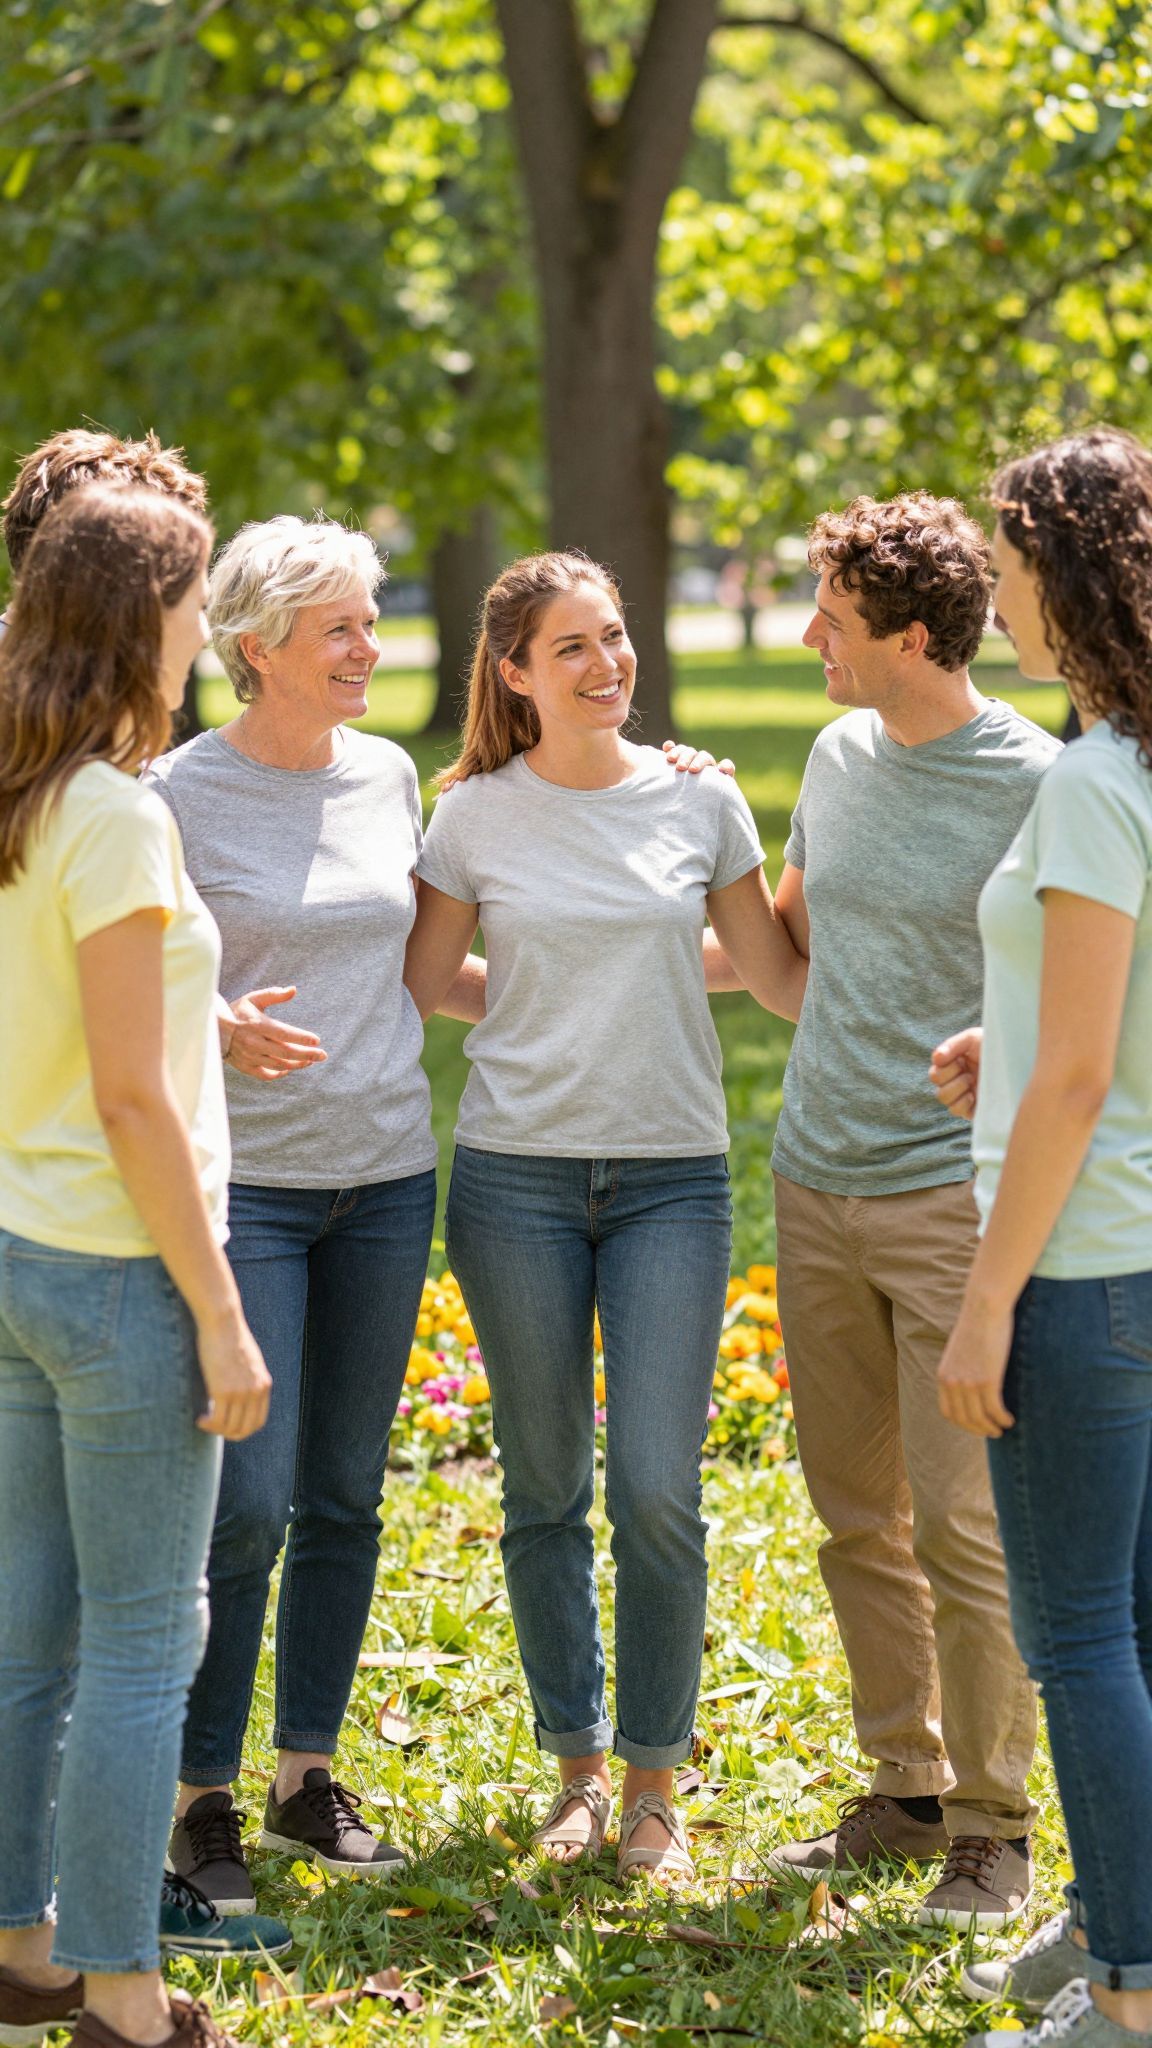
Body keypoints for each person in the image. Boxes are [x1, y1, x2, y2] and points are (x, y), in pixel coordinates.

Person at [402, 549, 809, 1883]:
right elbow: (424, 981)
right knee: (542, 1487)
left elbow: (771, 977)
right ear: (513, 674)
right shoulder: (469, 818)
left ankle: (653, 1786)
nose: (607, 665)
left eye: (616, 637)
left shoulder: (703, 806)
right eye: (571, 647)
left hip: (671, 1179)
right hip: (514, 1178)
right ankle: (576, 1769)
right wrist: (533, 999)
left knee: (655, 1487)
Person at [713, 494, 1061, 1926]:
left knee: (963, 1528)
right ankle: (906, 1790)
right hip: (813, 1178)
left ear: (915, 638)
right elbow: (790, 966)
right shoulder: (839, 753)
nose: (810, 641)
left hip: (953, 1199)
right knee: (855, 1514)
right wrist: (674, 836)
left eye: (834, 623)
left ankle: (995, 1821)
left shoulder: (1042, 780)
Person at [145, 515, 484, 1912]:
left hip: (390, 1173)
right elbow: (134, 974)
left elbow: (430, 948)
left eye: (373, 616)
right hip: (255, 1191)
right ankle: (198, 1797)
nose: (371, 645)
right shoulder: (173, 793)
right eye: (340, 626)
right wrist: (212, 1022)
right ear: (255, 647)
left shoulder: (390, 772)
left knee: (347, 1492)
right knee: (251, 1497)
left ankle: (304, 1779)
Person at [0, 485, 271, 2048]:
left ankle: (23, 1947)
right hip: (118, 1278)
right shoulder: (114, 814)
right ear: (144, 619)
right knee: (145, 1638)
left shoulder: (31, 792)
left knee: (28, 1630)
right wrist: (220, 1319)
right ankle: (122, 1991)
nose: (200, 637)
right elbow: (130, 1094)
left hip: (25, 1259)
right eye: (191, 607)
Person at [929, 429, 1152, 2048]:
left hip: (1081, 1267)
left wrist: (984, 1302)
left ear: (1067, 582)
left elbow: (1080, 1079)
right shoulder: (1132, 761)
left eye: (1008, 576)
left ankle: (1135, 1992)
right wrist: (1002, 1042)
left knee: (1077, 1635)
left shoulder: (1089, 781)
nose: (997, 607)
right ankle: (1114, 1919)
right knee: (1132, 1627)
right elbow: (1080, 1036)